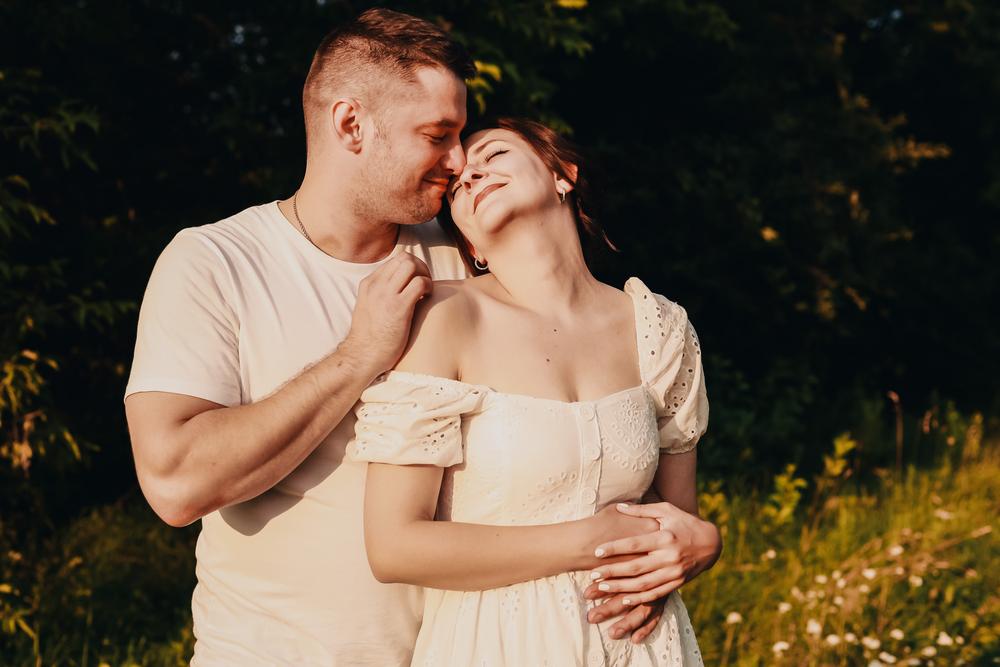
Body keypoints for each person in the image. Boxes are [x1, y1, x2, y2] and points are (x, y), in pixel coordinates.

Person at [124, 8, 720, 665]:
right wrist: (357, 356)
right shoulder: (217, 261)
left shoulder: (466, 255)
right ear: (351, 124)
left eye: (464, 137)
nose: (459, 161)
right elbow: (174, 484)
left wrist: (689, 541)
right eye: (439, 134)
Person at [349, 118, 714, 665]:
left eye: (493, 155)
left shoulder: (658, 327)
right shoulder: (446, 317)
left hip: (640, 646)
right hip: (497, 644)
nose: (470, 176)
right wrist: (588, 538)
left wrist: (705, 545)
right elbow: (394, 546)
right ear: (467, 240)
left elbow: (678, 520)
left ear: (562, 174)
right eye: (457, 186)